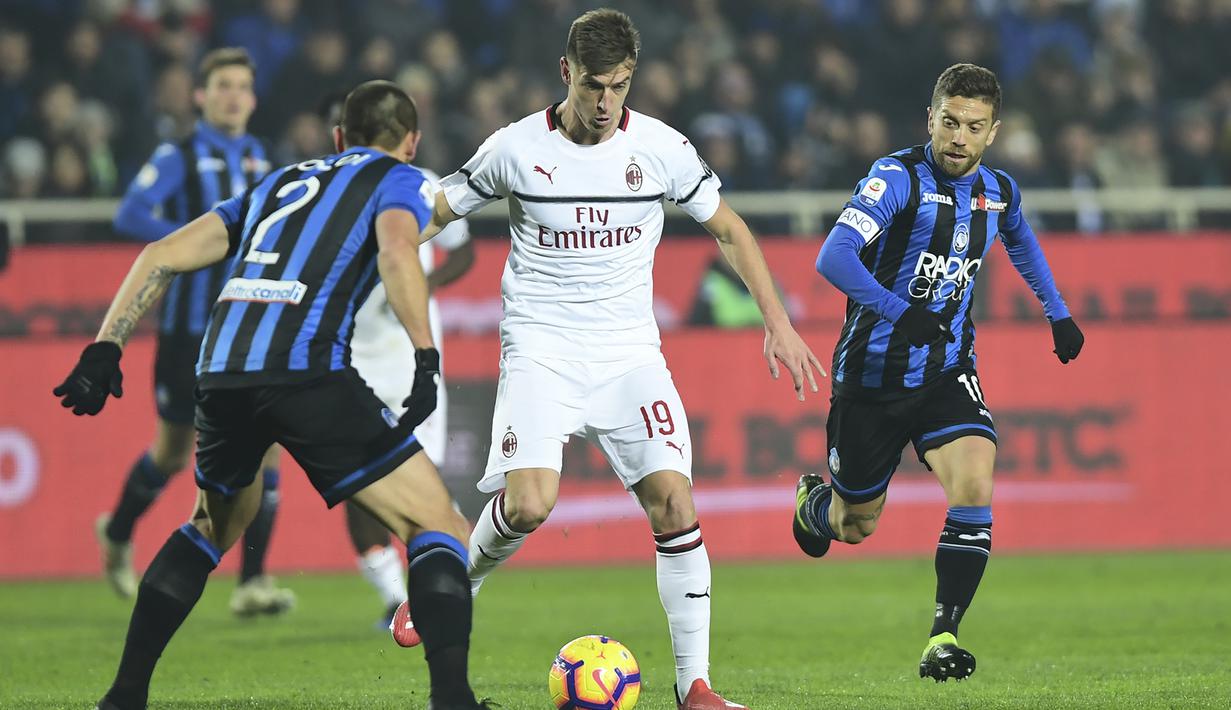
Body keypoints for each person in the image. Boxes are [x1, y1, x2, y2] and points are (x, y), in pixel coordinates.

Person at [394, 9, 824, 710]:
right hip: (541, 348)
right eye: (593, 85)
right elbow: (438, 211)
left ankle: (695, 688)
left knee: (675, 501)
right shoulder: (514, 148)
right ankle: (447, 587)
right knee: (529, 504)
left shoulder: (661, 148)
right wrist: (373, 253)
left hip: (629, 355)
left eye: (619, 86)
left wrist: (776, 321)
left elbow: (729, 228)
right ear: (566, 72)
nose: (604, 102)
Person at [54, 80, 491, 710]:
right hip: (306, 369)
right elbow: (398, 251)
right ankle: (453, 699)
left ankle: (123, 696)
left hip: (221, 371)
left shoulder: (280, 183)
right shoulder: (400, 178)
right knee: (439, 524)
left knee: (211, 525)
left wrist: (105, 347)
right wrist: (426, 355)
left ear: (338, 137)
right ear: (412, 142)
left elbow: (162, 253)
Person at [792, 63, 1086, 682]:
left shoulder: (999, 190)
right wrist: (900, 312)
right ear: (930, 119)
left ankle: (943, 635)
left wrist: (1057, 313)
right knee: (855, 525)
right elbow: (833, 256)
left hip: (946, 368)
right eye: (949, 122)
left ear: (993, 132)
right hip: (872, 376)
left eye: (974, 127)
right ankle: (815, 506)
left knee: (976, 481)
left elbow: (1020, 239)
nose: (958, 137)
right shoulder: (896, 178)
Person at [97, 47, 294, 617]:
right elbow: (130, 214)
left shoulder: (264, 157)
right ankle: (117, 531)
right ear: (201, 96)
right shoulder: (180, 155)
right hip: (188, 331)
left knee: (269, 448)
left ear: (253, 99)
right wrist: (198, 241)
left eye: (242, 87)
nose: (233, 96)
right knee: (172, 453)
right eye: (222, 86)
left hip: (250, 327)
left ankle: (252, 582)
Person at [320, 93, 477, 630]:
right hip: (347, 356)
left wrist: (421, 282)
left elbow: (464, 250)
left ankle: (436, 586)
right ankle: (395, 598)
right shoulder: (323, 190)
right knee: (360, 485)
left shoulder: (428, 185)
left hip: (411, 354)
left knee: (422, 477)